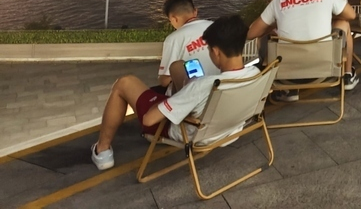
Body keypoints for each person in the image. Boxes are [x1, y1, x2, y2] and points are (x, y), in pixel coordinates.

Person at [91, 15, 257, 171]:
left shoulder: (204, 86)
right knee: (178, 66)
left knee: (124, 83)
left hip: (192, 132)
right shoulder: (256, 74)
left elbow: (149, 120)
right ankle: (178, 95)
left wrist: (172, 102)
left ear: (215, 52)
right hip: (230, 128)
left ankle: (102, 150)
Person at [247, 0, 359, 92]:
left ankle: (289, 91)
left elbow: (251, 33)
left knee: (268, 34)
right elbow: (351, 15)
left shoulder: (278, 0)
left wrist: (278, 23)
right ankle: (348, 75)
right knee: (344, 23)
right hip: (325, 67)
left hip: (288, 74)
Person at [157, 0, 216, 93]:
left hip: (190, 96)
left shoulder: (173, 39)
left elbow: (164, 81)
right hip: (218, 89)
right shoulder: (216, 27)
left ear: (173, 19)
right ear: (195, 11)